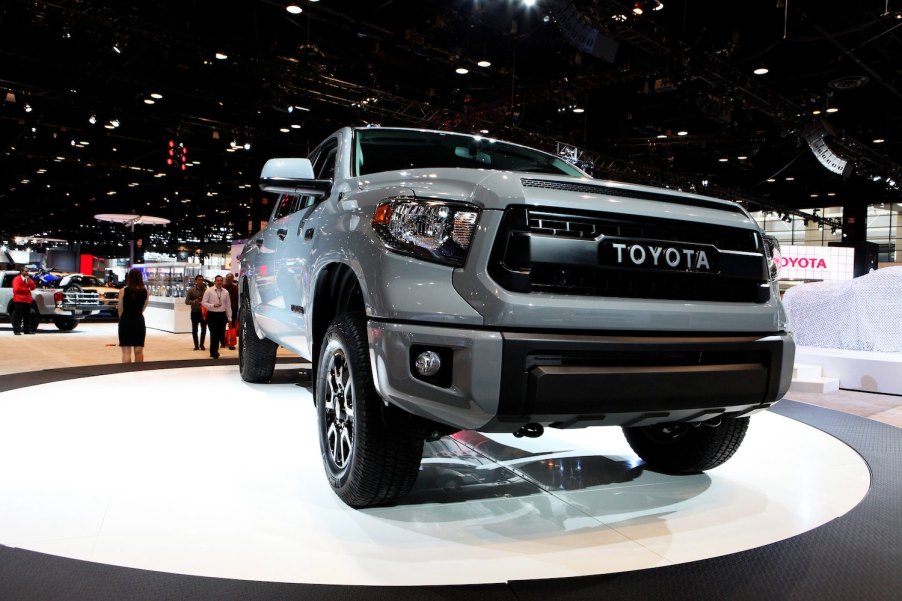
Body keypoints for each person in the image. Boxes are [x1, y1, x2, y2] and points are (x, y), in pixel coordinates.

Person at [117, 268, 149, 363]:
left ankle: (127, 373)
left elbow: (120, 308)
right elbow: (143, 308)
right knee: (139, 351)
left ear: (129, 278)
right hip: (139, 321)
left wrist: (122, 319)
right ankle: (139, 373)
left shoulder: (123, 291)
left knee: (126, 352)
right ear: (140, 278)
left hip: (125, 321)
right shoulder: (145, 292)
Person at [201, 274, 231, 359]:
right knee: (214, 334)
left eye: (221, 280)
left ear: (223, 281)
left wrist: (229, 318)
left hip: (222, 315)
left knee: (220, 334)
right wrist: (213, 305)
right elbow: (203, 303)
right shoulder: (209, 291)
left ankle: (214, 351)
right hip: (212, 315)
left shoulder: (225, 292)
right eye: (218, 280)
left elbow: (228, 305)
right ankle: (214, 352)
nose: (219, 282)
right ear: (215, 281)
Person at [11, 266, 36, 335]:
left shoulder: (28, 279)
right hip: (19, 300)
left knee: (27, 316)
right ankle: (17, 330)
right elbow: (17, 289)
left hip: (27, 300)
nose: (27, 272)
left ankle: (27, 330)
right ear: (21, 272)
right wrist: (27, 290)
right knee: (18, 316)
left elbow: (33, 287)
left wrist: (29, 281)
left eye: (27, 271)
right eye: (25, 271)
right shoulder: (17, 279)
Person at [185, 275, 207, 350]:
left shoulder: (206, 290)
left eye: (201, 280)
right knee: (195, 330)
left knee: (204, 329)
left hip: (204, 312)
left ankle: (202, 344)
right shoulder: (191, 290)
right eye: (199, 280)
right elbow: (187, 302)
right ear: (196, 281)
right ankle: (196, 345)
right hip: (195, 311)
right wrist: (195, 301)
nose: (200, 281)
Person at [223, 272, 239, 350]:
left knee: (232, 326)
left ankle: (231, 343)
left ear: (232, 279)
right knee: (222, 326)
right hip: (222, 309)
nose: (227, 280)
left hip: (233, 309)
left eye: (229, 279)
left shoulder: (235, 288)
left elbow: (238, 299)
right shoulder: (222, 287)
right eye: (227, 279)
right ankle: (223, 342)